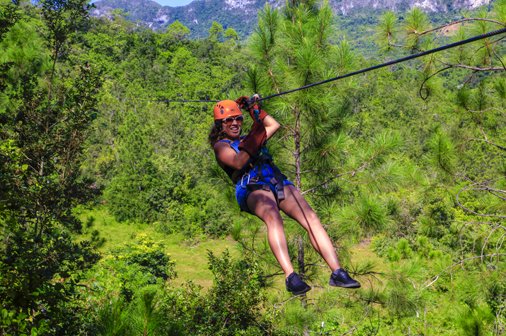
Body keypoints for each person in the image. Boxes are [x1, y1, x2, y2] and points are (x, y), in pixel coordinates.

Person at [209, 96, 360, 295]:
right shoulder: (221, 146)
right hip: (251, 186)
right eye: (229, 120)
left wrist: (254, 110)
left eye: (238, 119)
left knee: (310, 218)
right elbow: (238, 162)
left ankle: (337, 272)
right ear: (220, 125)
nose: (235, 123)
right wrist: (256, 129)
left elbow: (273, 124)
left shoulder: (251, 137)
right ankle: (291, 276)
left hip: (275, 179)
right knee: (273, 217)